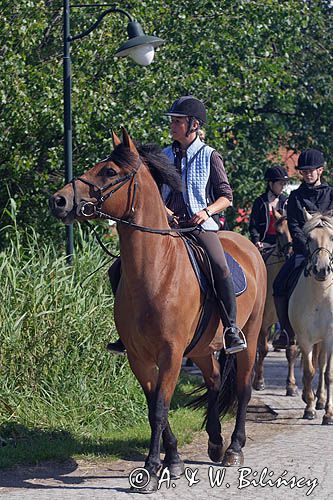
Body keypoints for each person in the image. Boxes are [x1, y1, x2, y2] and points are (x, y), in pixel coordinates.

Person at [107, 95, 246, 355]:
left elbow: (226, 197)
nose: (172, 125)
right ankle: (126, 333)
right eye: (172, 121)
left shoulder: (209, 156)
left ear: (194, 125)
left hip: (199, 227)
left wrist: (206, 212)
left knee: (219, 266)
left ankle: (231, 328)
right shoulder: (164, 155)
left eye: (177, 121)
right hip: (168, 226)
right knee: (117, 269)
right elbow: (153, 193)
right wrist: (165, 210)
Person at [272, 148, 333, 349]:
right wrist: (308, 249)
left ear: (320, 170)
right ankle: (285, 331)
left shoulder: (331, 194)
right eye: (304, 171)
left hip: (330, 250)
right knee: (279, 284)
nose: (307, 174)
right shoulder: (296, 197)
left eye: (311, 170)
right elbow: (295, 226)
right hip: (304, 251)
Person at [249, 166, 289, 253]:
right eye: (280, 184)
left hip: (284, 243)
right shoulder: (260, 202)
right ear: (271, 184)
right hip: (265, 243)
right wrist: (256, 241)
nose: (283, 187)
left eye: (284, 184)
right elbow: (253, 226)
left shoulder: (287, 202)